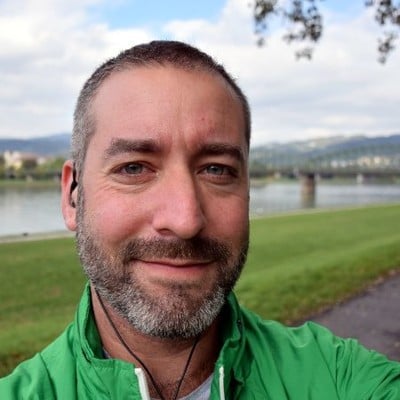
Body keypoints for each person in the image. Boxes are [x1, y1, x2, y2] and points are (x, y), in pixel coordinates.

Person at [0, 40, 399, 400]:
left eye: (217, 170)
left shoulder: (339, 379)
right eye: (134, 168)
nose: (186, 219)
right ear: (72, 195)